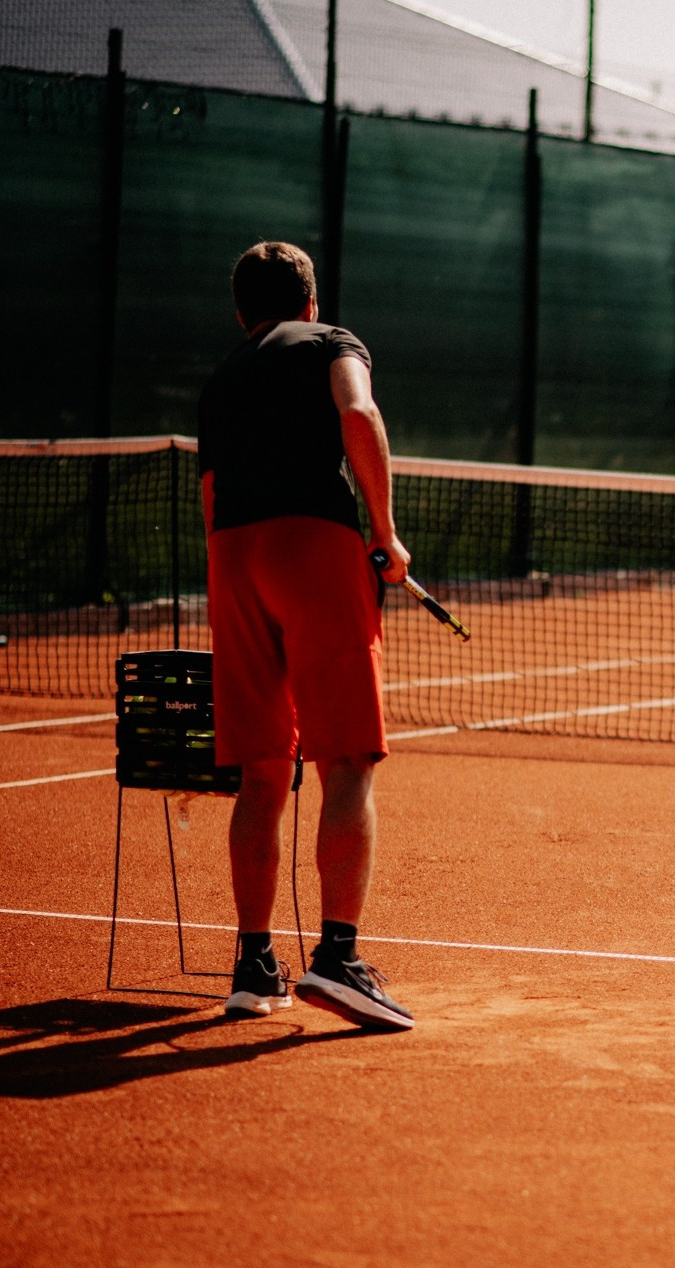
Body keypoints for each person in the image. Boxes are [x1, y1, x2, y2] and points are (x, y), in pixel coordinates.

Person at [199, 241, 414, 1029]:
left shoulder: (221, 375)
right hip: (310, 545)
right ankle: (339, 957)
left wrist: (236, 574)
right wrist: (386, 534)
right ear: (310, 302)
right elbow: (357, 412)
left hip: (232, 554)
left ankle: (254, 966)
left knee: (263, 772)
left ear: (241, 311)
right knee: (347, 760)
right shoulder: (332, 343)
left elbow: (212, 490)